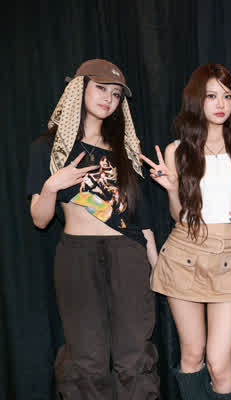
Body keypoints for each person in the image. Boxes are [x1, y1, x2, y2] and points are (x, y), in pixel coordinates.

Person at [27, 59, 159, 399]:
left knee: (134, 356)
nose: (108, 99)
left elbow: (141, 216)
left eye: (115, 94)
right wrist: (52, 186)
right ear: (79, 89)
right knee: (86, 359)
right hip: (78, 255)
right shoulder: (50, 148)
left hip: (128, 253)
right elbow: (40, 219)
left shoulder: (124, 149)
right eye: (101, 88)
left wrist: (157, 264)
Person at [142, 64, 231, 400]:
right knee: (192, 355)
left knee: (219, 362)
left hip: (230, 254)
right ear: (197, 99)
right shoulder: (177, 150)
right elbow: (179, 215)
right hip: (185, 252)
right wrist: (171, 189)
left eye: (227, 96)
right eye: (211, 96)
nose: (221, 104)